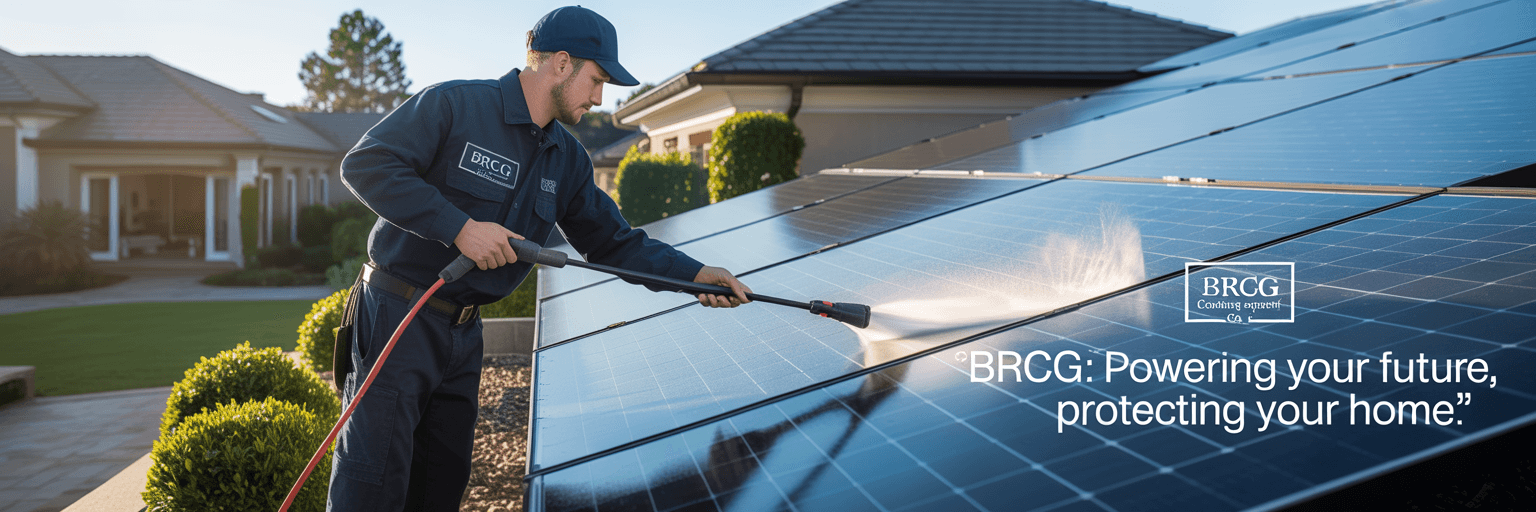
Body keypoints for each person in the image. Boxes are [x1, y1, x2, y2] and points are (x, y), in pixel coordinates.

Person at [328, 6, 752, 510]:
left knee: (439, 483)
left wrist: (695, 275)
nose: (600, 98)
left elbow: (614, 243)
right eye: (597, 81)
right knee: (371, 485)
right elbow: (366, 164)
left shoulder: (567, 158)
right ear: (562, 63)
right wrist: (460, 229)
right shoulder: (456, 105)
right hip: (398, 315)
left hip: (463, 334)